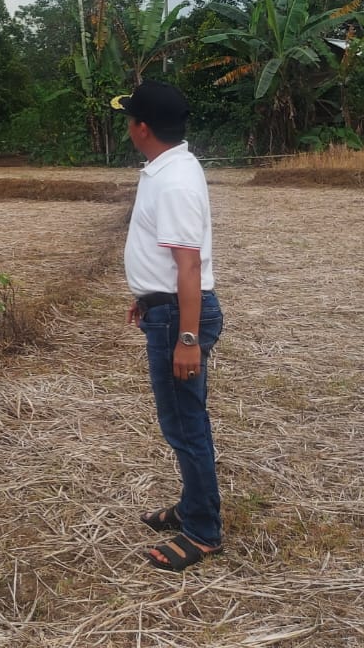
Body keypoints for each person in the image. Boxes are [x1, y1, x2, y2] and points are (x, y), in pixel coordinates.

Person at [113, 80, 224, 572]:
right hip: (167, 310)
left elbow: (190, 267)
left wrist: (186, 337)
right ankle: (191, 506)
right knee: (183, 421)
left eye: (129, 118)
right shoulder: (168, 167)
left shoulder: (175, 180)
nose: (127, 126)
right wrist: (148, 297)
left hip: (181, 319)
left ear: (142, 128)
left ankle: (202, 530)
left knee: (185, 426)